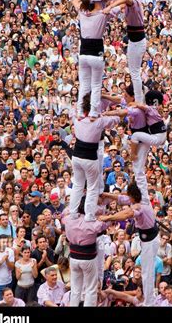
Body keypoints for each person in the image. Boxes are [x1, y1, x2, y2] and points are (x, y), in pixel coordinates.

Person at [99, 183, 159, 306]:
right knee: (145, 269)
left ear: (133, 195)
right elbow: (121, 198)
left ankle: (148, 301)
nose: (127, 197)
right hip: (145, 237)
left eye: (129, 194)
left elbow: (127, 214)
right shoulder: (138, 199)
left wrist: (107, 218)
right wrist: (106, 194)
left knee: (147, 271)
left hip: (150, 240)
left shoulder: (140, 205)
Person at [69, 93, 121, 222]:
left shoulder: (77, 117)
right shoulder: (99, 120)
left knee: (78, 185)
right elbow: (117, 119)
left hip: (76, 156)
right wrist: (105, 113)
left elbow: (72, 110)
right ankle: (89, 215)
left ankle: (73, 213)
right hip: (89, 158)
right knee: (92, 187)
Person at [72, 0, 119, 119]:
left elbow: (74, 0)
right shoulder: (103, 14)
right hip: (96, 54)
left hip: (83, 54)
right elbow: (124, 5)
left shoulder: (82, 12)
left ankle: (80, 112)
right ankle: (93, 112)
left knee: (84, 85)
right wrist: (110, 5)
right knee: (96, 85)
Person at [64, 197, 111, 306]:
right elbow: (107, 223)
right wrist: (106, 215)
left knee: (75, 289)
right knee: (91, 289)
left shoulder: (68, 219)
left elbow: (64, 215)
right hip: (87, 259)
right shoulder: (92, 223)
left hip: (74, 258)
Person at [104, 0, 147, 103]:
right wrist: (111, 10)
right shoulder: (128, 5)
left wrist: (111, 6)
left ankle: (138, 100)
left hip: (138, 42)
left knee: (135, 72)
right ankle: (138, 98)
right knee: (133, 72)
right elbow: (122, 5)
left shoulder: (135, 2)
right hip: (133, 41)